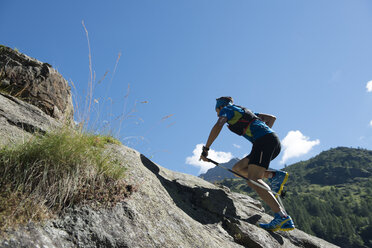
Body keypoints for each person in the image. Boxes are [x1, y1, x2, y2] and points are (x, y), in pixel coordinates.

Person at [200, 96, 295, 231]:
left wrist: (206, 149)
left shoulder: (226, 109)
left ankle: (282, 216)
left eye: (216, 110)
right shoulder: (245, 111)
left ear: (220, 107)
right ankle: (273, 176)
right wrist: (260, 134)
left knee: (253, 180)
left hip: (264, 143)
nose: (217, 114)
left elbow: (218, 125)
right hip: (268, 142)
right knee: (238, 169)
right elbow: (272, 118)